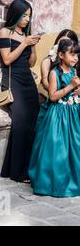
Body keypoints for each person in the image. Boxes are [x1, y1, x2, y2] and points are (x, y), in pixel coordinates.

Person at [29, 39, 80, 197]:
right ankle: (53, 182)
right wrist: (71, 86)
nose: (75, 58)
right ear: (61, 55)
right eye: (72, 54)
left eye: (77, 55)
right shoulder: (54, 73)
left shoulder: (73, 71)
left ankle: (73, 178)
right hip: (58, 115)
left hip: (73, 113)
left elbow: (75, 90)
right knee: (57, 149)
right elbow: (52, 96)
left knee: (74, 146)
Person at [0, 0, 41, 183]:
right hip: (13, 81)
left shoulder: (26, 35)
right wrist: (24, 43)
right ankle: (17, 171)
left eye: (29, 16)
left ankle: (23, 168)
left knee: (32, 124)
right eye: (24, 16)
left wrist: (32, 45)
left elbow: (32, 62)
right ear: (15, 14)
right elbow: (7, 60)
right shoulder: (4, 32)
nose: (26, 20)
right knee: (20, 123)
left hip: (28, 82)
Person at [39, 29, 78, 99]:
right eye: (61, 42)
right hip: (47, 94)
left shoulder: (73, 63)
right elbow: (45, 84)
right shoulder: (48, 61)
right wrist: (60, 93)